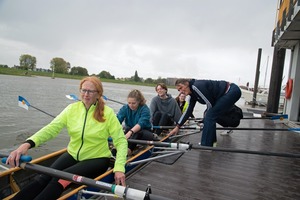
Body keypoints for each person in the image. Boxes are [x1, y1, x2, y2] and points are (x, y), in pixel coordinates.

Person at [6, 76, 128, 200]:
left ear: (98, 94)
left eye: (90, 91)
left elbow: (121, 141)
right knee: (44, 176)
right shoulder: (71, 109)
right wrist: (27, 144)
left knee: (60, 180)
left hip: (97, 159)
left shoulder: (108, 113)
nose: (86, 94)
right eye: (83, 90)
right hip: (72, 154)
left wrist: (119, 168)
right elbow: (51, 129)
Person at [169, 78, 241, 147]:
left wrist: (205, 118)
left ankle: (206, 145)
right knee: (209, 115)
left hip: (232, 90)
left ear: (187, 84)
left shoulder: (196, 86)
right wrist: (178, 126)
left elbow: (210, 103)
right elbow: (188, 111)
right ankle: (212, 142)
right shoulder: (192, 94)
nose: (181, 91)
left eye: (181, 88)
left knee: (209, 115)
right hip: (224, 95)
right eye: (179, 90)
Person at [117, 89, 154, 156]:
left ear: (139, 102)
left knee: (137, 132)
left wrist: (130, 132)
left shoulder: (145, 109)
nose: (131, 105)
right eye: (129, 103)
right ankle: (118, 149)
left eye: (133, 103)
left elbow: (141, 123)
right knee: (125, 131)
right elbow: (117, 120)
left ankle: (129, 150)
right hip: (130, 131)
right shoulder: (125, 108)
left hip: (145, 133)